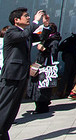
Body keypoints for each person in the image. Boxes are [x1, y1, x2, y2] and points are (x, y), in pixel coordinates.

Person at [1, 8, 45, 139]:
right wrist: (35, 21)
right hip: (11, 75)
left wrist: (46, 25)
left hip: (21, 75)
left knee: (13, 107)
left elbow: (40, 37)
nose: (28, 18)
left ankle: (3, 132)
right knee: (5, 104)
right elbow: (24, 35)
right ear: (16, 20)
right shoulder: (11, 32)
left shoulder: (25, 33)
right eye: (26, 16)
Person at [28, 19, 61, 113]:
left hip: (46, 66)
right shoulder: (44, 39)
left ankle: (42, 106)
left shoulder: (54, 41)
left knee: (42, 87)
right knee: (36, 86)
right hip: (40, 64)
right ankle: (40, 105)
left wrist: (44, 49)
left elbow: (53, 54)